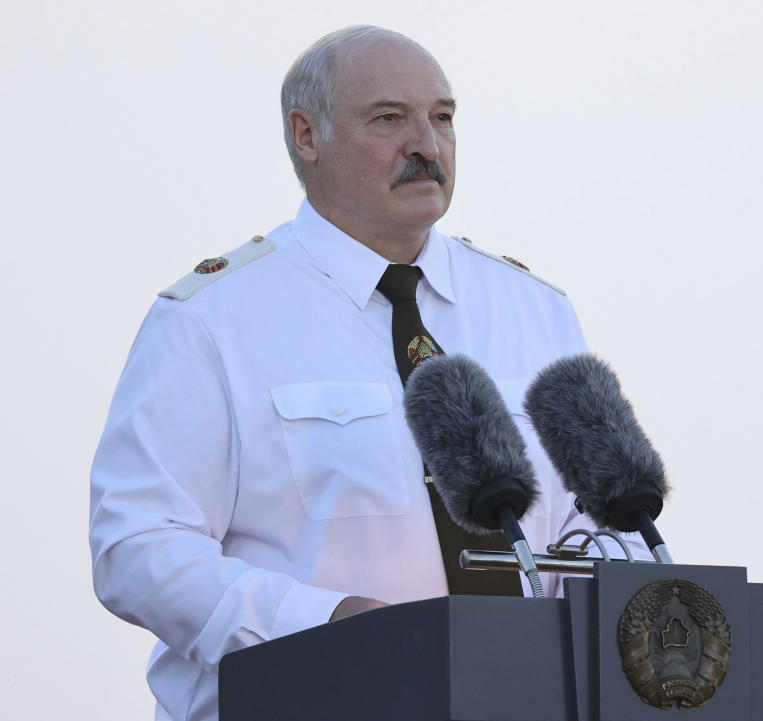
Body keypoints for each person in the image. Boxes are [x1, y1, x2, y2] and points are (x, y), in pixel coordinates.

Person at [90, 25, 651, 721]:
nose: (427, 144)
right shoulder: (213, 319)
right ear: (306, 136)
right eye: (389, 119)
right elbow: (138, 545)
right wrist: (323, 624)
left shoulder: (535, 313)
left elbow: (600, 527)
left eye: (442, 118)